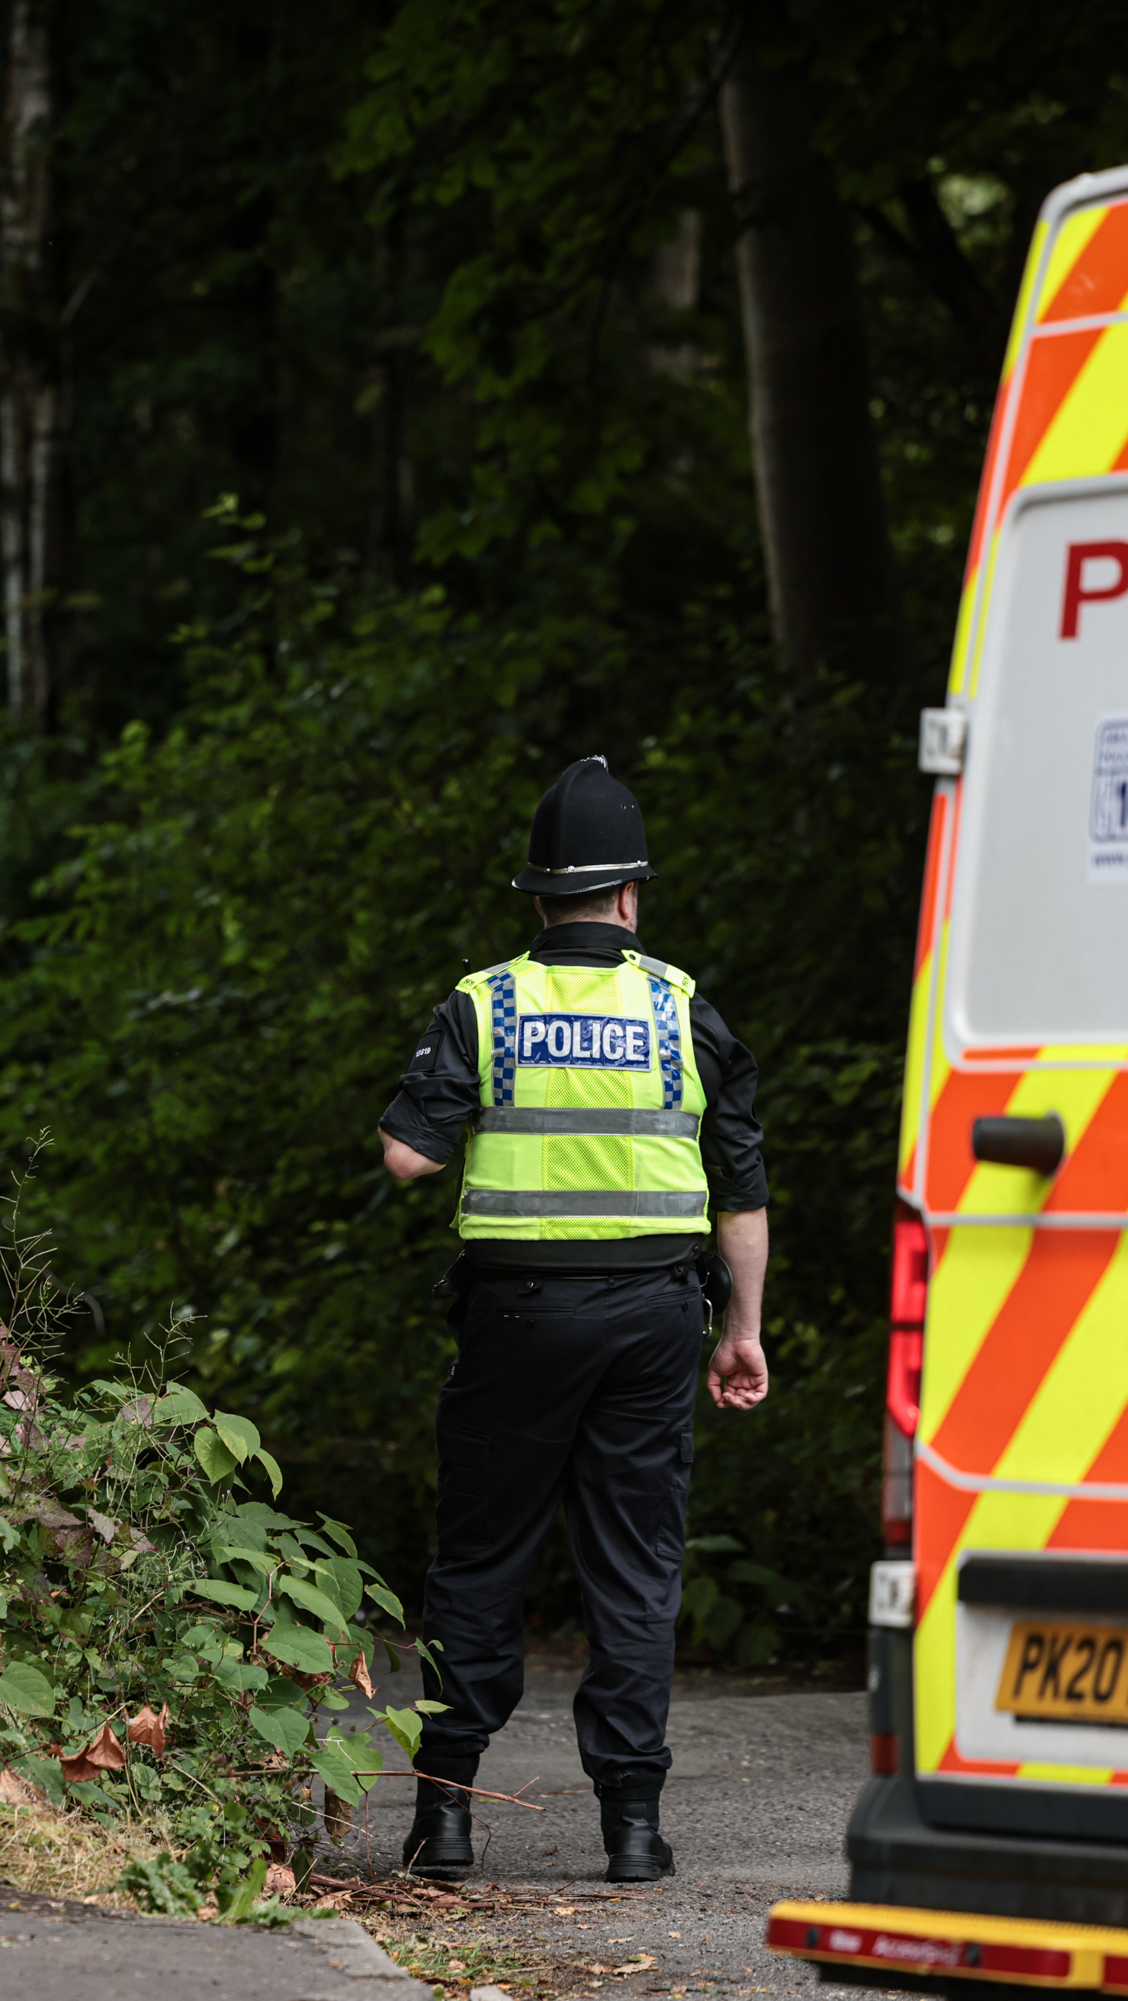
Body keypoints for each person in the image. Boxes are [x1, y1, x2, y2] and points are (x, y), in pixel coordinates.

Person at [376, 755, 772, 1886]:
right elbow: (741, 1186)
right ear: (630, 898)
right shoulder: (685, 1008)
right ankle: (632, 1833)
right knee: (635, 1565)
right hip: (656, 1317)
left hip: (518, 1317)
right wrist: (742, 1326)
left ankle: (444, 1819)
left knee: (484, 1554)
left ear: (538, 898)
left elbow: (409, 1157)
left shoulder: (487, 1002)